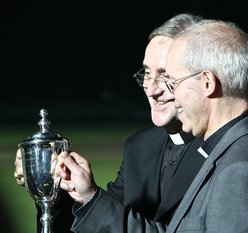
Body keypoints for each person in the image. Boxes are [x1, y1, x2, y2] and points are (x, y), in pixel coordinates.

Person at [14, 13, 205, 232]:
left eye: (165, 75)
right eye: (147, 73)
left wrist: (92, 198)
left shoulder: (223, 150)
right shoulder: (140, 148)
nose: (151, 89)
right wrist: (56, 188)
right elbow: (101, 222)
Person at [160, 19, 248, 232]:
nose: (170, 95)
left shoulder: (241, 172)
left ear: (207, 83)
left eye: (174, 83)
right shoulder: (242, 149)